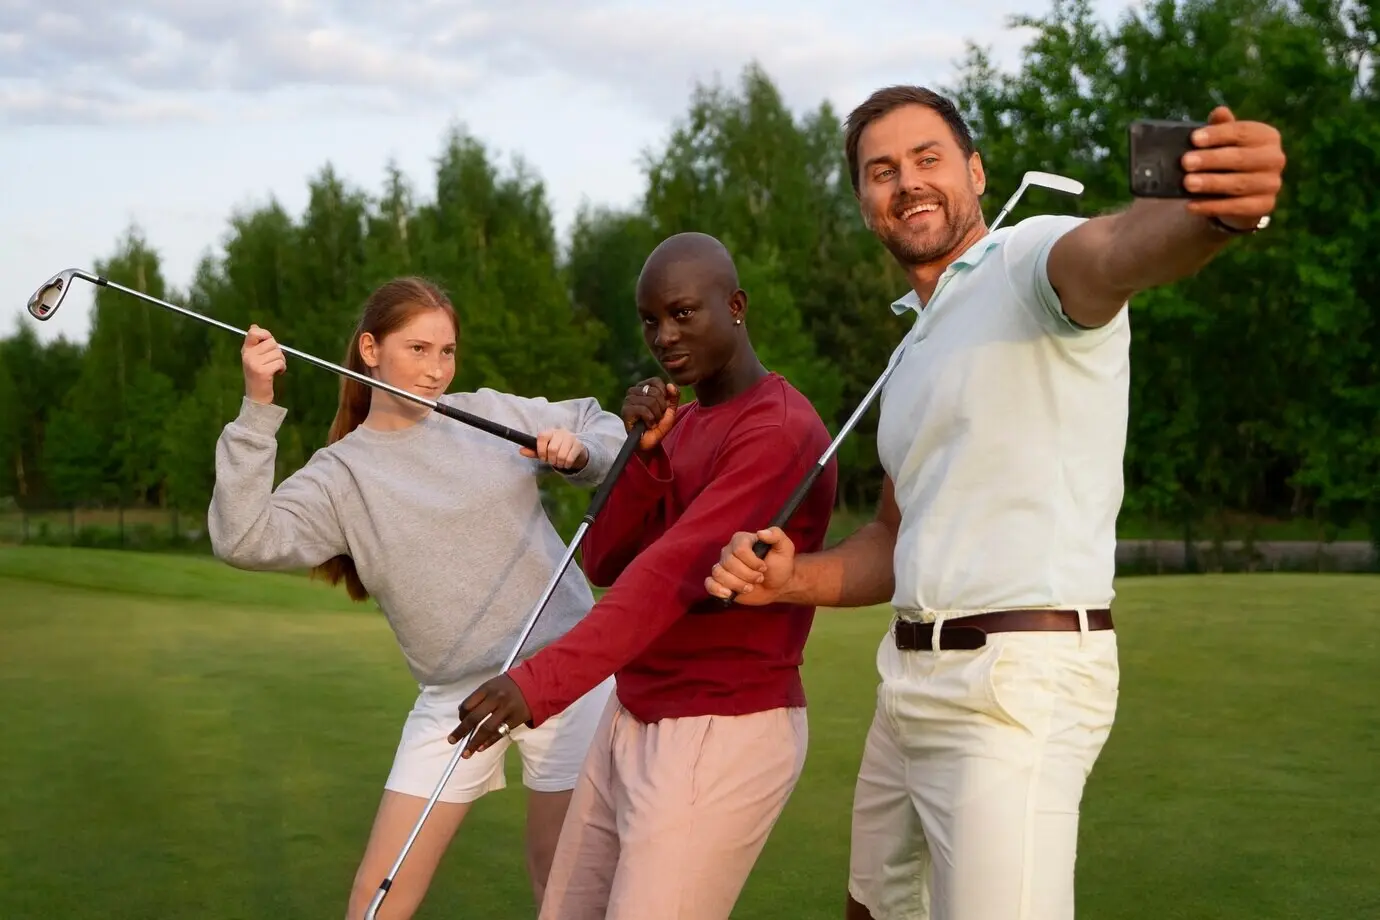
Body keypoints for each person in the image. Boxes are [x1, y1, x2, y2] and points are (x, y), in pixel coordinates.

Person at [703, 87, 1286, 920]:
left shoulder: (1026, 260)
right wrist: (790, 582)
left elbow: (1116, 249)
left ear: (975, 171)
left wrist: (1215, 216)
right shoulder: (911, 348)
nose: (907, 182)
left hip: (1017, 684)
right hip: (906, 679)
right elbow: (895, 537)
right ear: (866, 202)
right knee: (873, 907)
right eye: (882, 171)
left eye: (928, 158)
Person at [206, 276, 628, 919]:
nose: (435, 372)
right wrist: (259, 405)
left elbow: (603, 427)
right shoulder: (341, 473)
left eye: (447, 352)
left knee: (563, 885)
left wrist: (582, 453)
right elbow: (243, 537)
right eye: (418, 349)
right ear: (370, 349)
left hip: (566, 674)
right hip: (456, 698)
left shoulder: (485, 413)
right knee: (377, 897)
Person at [445, 231, 839, 919]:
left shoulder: (779, 429)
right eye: (651, 320)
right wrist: (644, 457)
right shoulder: (683, 427)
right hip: (635, 713)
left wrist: (538, 683)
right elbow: (605, 559)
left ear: (736, 305)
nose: (664, 335)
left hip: (720, 724)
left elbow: (671, 575)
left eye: (683, 313)